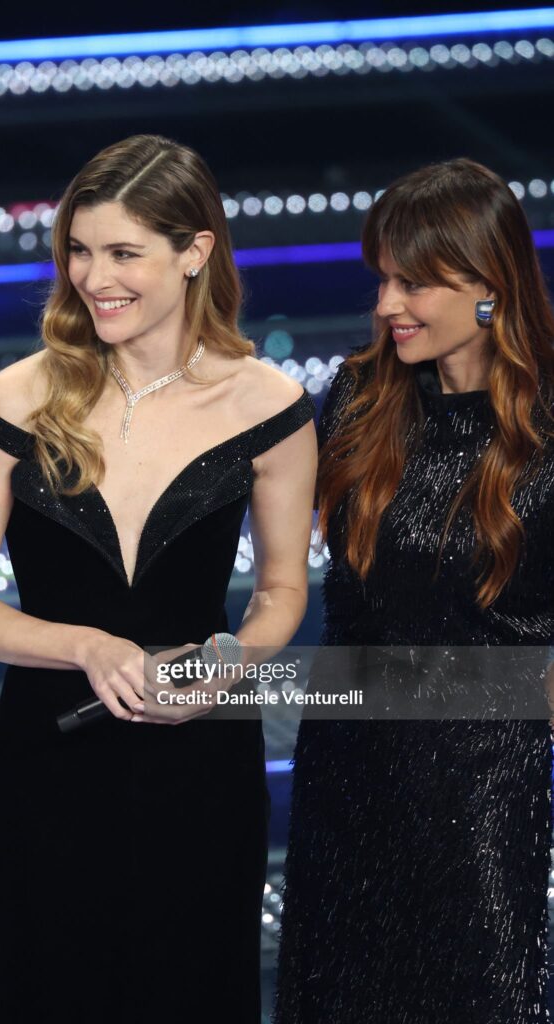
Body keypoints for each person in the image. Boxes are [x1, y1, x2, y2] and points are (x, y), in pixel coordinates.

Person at [0, 134, 317, 1023]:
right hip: (51, 763)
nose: (92, 277)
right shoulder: (14, 400)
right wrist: (86, 646)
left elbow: (281, 591)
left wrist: (232, 657)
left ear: (194, 252)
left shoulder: (269, 406)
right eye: (78, 250)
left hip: (204, 763)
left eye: (122, 254)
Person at [274, 158, 554, 1023]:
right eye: (384, 279)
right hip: (348, 777)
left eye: (415, 282)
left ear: (488, 287)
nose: (388, 303)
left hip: (484, 792)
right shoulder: (361, 397)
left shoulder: (546, 427)